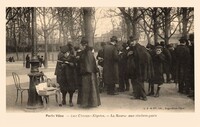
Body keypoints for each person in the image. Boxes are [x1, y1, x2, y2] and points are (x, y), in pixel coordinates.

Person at [127, 36, 154, 101]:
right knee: (133, 82)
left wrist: (134, 54)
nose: (131, 43)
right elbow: (128, 56)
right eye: (131, 41)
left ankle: (144, 96)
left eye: (133, 41)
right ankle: (136, 95)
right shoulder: (131, 48)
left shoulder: (140, 48)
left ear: (136, 41)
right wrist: (128, 54)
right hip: (133, 68)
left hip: (139, 68)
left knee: (139, 82)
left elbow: (145, 57)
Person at [77, 37, 101, 108]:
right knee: (89, 89)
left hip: (87, 74)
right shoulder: (87, 52)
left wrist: (85, 70)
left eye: (80, 45)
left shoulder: (87, 52)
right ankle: (89, 103)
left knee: (87, 89)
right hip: (89, 73)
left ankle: (87, 103)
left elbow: (88, 63)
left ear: (84, 45)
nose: (80, 47)